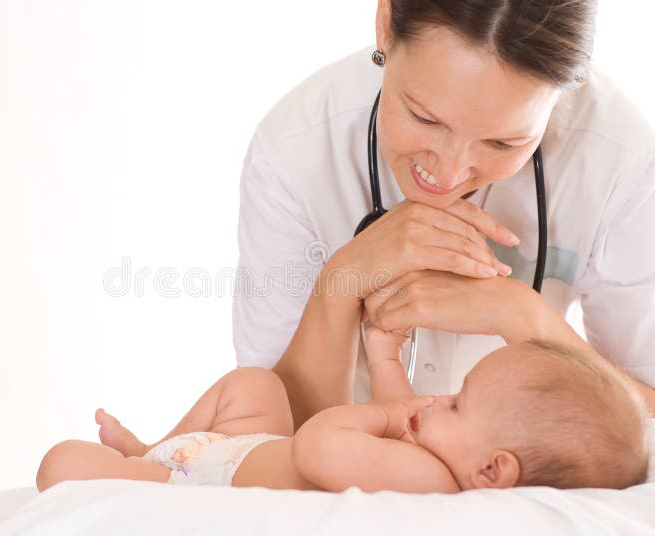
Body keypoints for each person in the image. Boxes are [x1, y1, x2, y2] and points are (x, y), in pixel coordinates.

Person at [233, 0, 655, 430]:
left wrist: (525, 319)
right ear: (385, 24)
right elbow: (265, 428)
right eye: (425, 118)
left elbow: (650, 415)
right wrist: (342, 281)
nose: (449, 174)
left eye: (503, 144)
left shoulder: (622, 159)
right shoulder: (292, 150)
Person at [35, 324, 650, 494]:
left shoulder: (431, 480)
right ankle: (150, 444)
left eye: (457, 404)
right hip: (243, 448)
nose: (438, 400)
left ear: (494, 469)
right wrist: (386, 359)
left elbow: (318, 447)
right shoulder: (440, 459)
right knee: (255, 386)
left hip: (203, 478)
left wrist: (384, 417)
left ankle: (149, 467)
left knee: (60, 464)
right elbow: (397, 410)